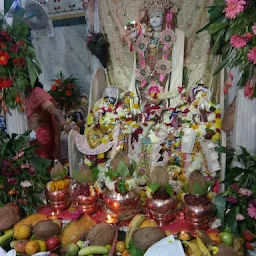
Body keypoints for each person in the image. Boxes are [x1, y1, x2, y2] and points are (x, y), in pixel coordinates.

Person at [25, 78, 73, 160]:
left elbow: (53, 109)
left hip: (41, 140)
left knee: (44, 168)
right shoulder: (24, 96)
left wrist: (64, 124)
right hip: (31, 141)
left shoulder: (37, 92)